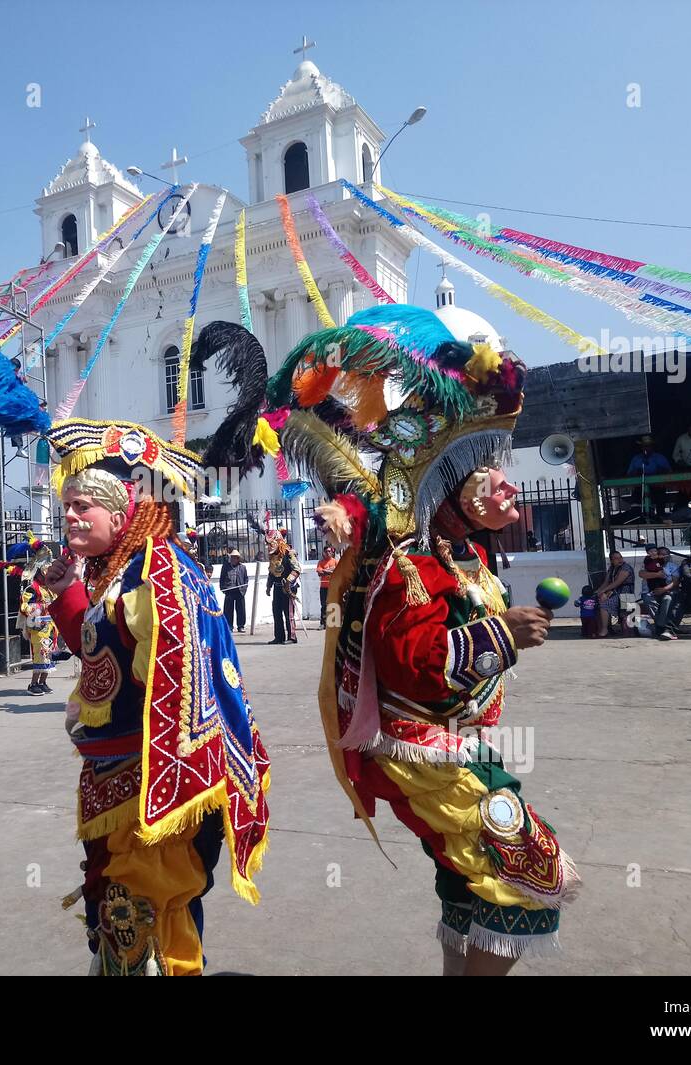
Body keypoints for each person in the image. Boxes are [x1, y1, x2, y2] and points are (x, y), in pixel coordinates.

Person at [267, 303, 578, 973]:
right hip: (419, 747)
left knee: (465, 886)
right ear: (453, 484)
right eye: (488, 474)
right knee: (526, 874)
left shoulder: (461, 554)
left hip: (456, 739)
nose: (507, 486)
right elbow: (414, 665)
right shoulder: (410, 564)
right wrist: (503, 632)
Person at [42, 418, 269, 975]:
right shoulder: (117, 574)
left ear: (122, 515)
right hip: (112, 777)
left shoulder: (156, 575)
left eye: (84, 507)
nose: (69, 515)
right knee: (117, 915)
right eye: (66, 505)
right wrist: (66, 590)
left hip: (151, 782)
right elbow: (98, 654)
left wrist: (160, 783)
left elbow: (174, 687)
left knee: (144, 913)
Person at [16, 539, 57, 695]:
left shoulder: (49, 588)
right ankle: (33, 684)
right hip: (38, 626)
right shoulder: (32, 587)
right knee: (40, 655)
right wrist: (41, 608)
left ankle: (43, 682)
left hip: (51, 626)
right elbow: (24, 606)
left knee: (49, 655)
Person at [639, 545, 682, 640]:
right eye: (660, 554)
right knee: (648, 599)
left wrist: (664, 589)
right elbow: (641, 574)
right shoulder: (649, 563)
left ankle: (660, 626)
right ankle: (663, 627)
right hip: (650, 591)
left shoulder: (673, 566)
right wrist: (657, 574)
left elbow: (675, 582)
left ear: (669, 556)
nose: (662, 556)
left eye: (665, 554)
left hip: (667, 591)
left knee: (667, 599)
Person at [626, 436, 672, 517]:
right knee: (635, 497)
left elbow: (669, 472)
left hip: (657, 487)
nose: (646, 448)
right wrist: (636, 472)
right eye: (644, 446)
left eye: (648, 446)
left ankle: (660, 516)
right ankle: (640, 516)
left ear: (652, 447)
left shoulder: (660, 457)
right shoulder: (636, 459)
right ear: (641, 447)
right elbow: (629, 474)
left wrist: (660, 471)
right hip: (640, 487)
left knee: (660, 495)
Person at [266, 530, 298, 644]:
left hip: (288, 588)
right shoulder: (272, 556)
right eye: (268, 544)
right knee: (276, 612)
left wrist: (288, 582)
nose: (269, 546)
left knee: (288, 613)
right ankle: (279, 637)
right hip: (277, 587)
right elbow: (271, 571)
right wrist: (268, 586)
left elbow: (296, 569)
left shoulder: (288, 553)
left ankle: (292, 637)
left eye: (271, 543)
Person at [593, 549, 635, 636]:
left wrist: (604, 591)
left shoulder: (626, 568)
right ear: (611, 561)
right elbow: (606, 582)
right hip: (614, 592)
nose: (619, 560)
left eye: (620, 557)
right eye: (616, 558)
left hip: (626, 594)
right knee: (597, 601)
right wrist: (599, 592)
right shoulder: (612, 569)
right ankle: (606, 627)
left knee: (604, 605)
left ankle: (605, 630)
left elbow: (617, 583)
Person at [219, 548, 249, 632]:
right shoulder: (226, 567)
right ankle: (229, 626)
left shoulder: (242, 567)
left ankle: (241, 626)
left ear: (238, 558)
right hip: (229, 590)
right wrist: (223, 588)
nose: (233, 559)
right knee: (228, 609)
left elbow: (246, 579)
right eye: (232, 557)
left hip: (239, 590)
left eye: (235, 557)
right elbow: (222, 578)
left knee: (241, 609)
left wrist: (244, 589)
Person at [316, 544, 338, 628]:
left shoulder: (335, 561)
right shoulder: (321, 562)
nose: (328, 553)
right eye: (326, 551)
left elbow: (337, 571)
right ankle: (323, 623)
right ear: (323, 552)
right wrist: (330, 570)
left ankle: (332, 623)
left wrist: (325, 571)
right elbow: (319, 572)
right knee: (324, 605)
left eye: (329, 551)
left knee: (333, 604)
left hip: (332, 587)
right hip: (323, 587)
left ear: (332, 552)